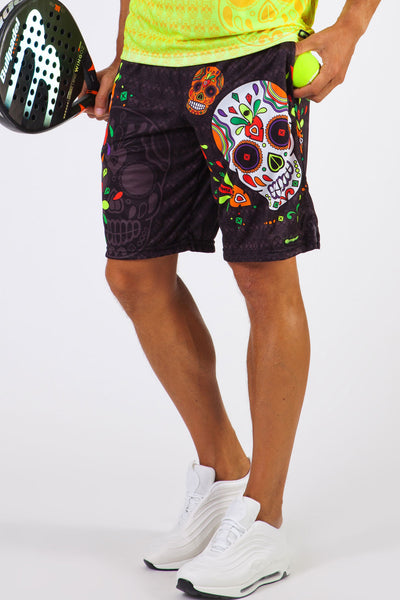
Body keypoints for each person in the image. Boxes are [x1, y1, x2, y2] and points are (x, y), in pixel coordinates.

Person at [87, 1, 381, 597]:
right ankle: (224, 472)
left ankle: (264, 517)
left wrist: (350, 28)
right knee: (133, 275)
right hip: (149, 61)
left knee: (262, 275)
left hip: (255, 53)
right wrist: (123, 47)